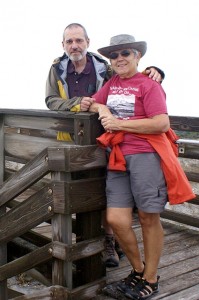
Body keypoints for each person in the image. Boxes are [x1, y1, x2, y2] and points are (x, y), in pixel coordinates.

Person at [83, 33, 195, 299]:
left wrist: (120, 124)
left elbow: (161, 123)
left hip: (146, 155)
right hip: (117, 156)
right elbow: (94, 102)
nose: (119, 58)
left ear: (138, 56)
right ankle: (138, 270)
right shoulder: (111, 84)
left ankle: (151, 279)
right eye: (114, 55)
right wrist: (102, 110)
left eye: (126, 53)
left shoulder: (149, 85)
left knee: (147, 216)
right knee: (116, 219)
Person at [45, 23, 165, 269]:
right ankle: (93, 243)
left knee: (113, 199)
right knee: (85, 194)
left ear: (87, 42)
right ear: (63, 45)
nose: (74, 45)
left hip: (109, 142)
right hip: (75, 142)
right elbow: (51, 100)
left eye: (79, 40)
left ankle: (111, 243)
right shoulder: (57, 69)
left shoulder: (103, 68)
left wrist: (157, 71)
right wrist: (84, 104)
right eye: (69, 41)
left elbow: (134, 80)